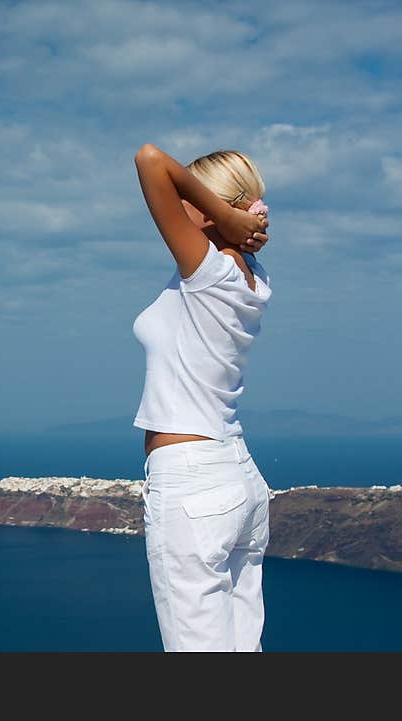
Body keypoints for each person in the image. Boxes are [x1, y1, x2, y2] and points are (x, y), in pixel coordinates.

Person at [131, 144, 274, 652]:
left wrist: (223, 216)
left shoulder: (208, 272)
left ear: (216, 208)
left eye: (192, 192)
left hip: (193, 482)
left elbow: (150, 160)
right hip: (237, 476)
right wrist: (229, 219)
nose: (180, 200)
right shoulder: (253, 279)